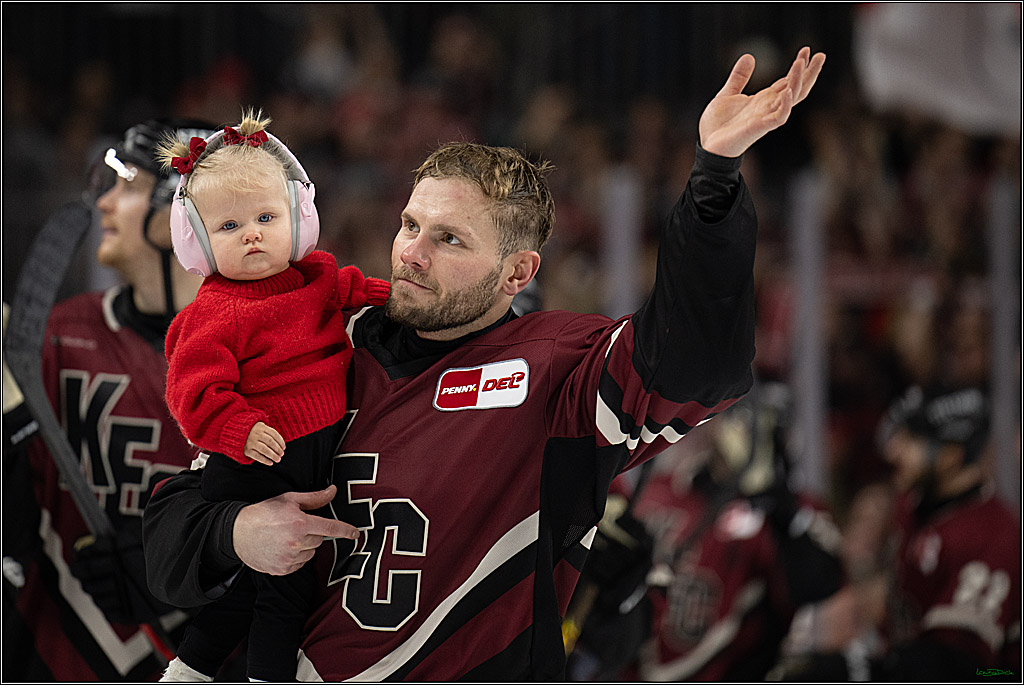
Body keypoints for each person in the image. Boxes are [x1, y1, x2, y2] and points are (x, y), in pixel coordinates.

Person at [143, 47, 827, 680]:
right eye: (410, 224)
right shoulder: (321, 342)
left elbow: (695, 361)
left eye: (448, 239)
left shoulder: (557, 374)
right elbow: (170, 539)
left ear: (516, 272)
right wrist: (239, 531)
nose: (411, 252)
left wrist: (713, 179)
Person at [154, 111, 389, 682]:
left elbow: (359, 288)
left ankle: (188, 671)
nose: (253, 232)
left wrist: (405, 302)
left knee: (250, 596)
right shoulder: (212, 313)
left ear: (299, 217)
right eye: (230, 227)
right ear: (199, 243)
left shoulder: (317, 277)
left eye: (265, 216)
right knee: (281, 594)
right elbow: (193, 393)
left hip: (307, 454)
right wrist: (238, 428)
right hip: (255, 461)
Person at [4, 119, 219, 682]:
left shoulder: (261, 357)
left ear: (181, 209)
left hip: (206, 660)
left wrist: (193, 577)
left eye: (126, 185)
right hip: (52, 653)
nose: (103, 203)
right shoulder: (52, 338)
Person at [565, 383, 845, 681]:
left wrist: (780, 507)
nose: (744, 432)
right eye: (739, 417)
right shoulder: (663, 489)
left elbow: (820, 583)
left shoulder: (787, 518)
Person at [775, 384, 1021, 681]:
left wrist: (857, 669)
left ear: (951, 456)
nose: (893, 450)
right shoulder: (911, 505)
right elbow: (862, 589)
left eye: (911, 439)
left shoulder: (994, 534)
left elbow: (956, 666)